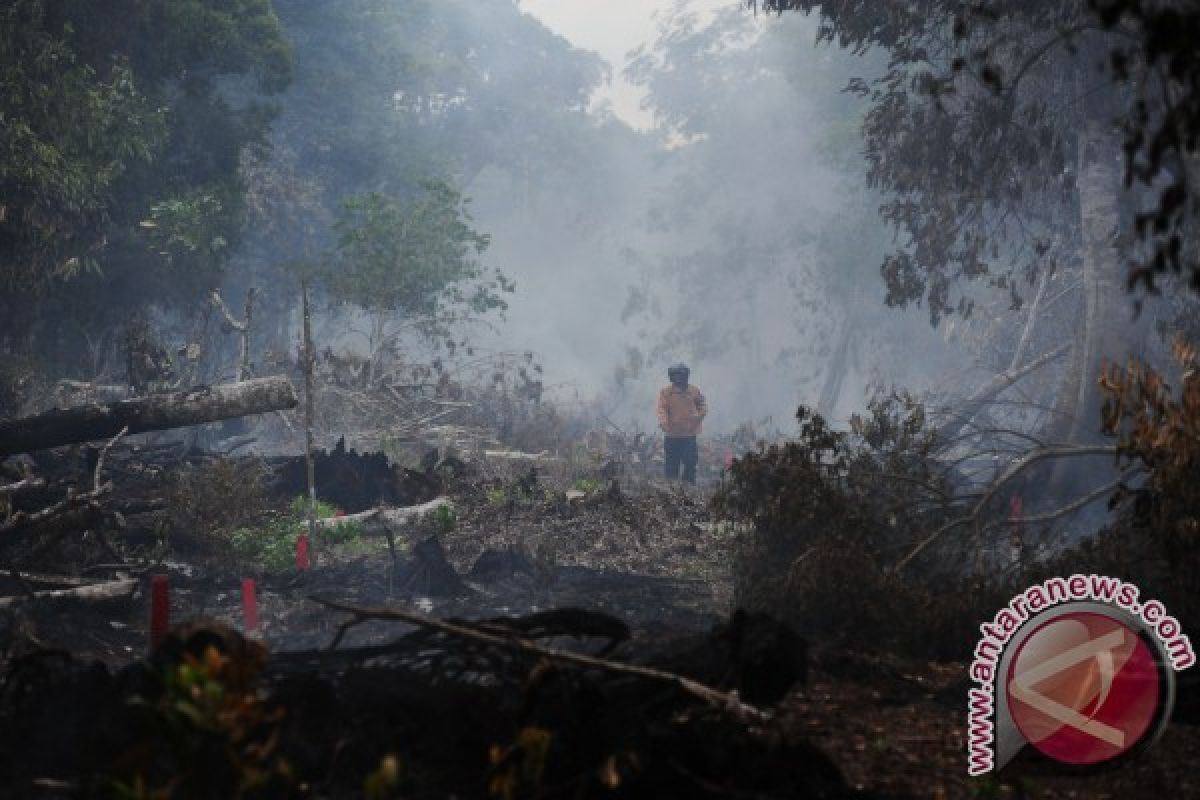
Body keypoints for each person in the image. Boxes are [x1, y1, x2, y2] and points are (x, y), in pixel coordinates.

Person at [656, 363, 707, 483]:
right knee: (671, 465)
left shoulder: (694, 390)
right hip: (672, 435)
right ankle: (671, 490)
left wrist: (698, 416)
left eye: (681, 375)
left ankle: (688, 488)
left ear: (686, 376)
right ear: (671, 377)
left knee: (690, 463)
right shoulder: (666, 392)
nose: (678, 378)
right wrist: (663, 422)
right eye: (675, 375)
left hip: (689, 435)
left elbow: (702, 406)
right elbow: (661, 409)